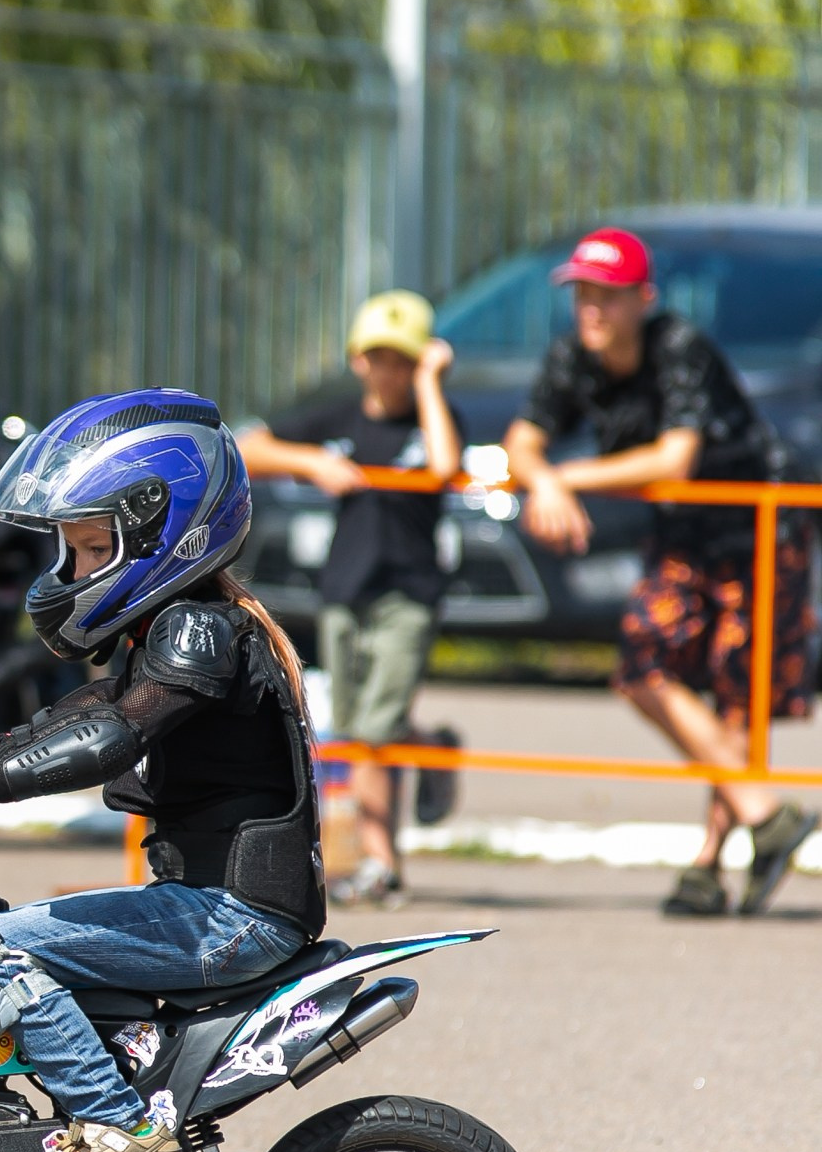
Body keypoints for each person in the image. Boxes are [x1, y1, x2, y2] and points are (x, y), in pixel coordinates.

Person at [0, 388, 321, 1152]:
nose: (71, 572)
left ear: (160, 534)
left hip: (233, 913)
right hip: (209, 903)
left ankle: (121, 1134)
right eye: (69, 551)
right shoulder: (169, 632)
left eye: (93, 547)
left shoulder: (199, 630)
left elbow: (112, 738)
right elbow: (83, 712)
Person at [502, 225, 816, 920]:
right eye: (582, 292)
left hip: (757, 522)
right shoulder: (571, 358)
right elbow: (522, 442)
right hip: (682, 531)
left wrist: (566, 477)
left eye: (607, 295)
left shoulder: (680, 347)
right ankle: (766, 817)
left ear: (642, 298)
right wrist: (545, 483)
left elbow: (673, 459)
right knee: (644, 664)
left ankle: (710, 865)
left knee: (737, 692)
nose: (592, 308)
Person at [241, 290, 461, 904]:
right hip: (347, 586)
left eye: (405, 362)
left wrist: (432, 385)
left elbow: (444, 465)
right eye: (379, 359)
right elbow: (250, 446)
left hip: (408, 592)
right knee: (364, 721)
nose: (390, 373)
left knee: (374, 727)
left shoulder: (431, 418)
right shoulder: (339, 421)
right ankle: (432, 750)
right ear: (359, 360)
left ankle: (382, 863)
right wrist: (311, 462)